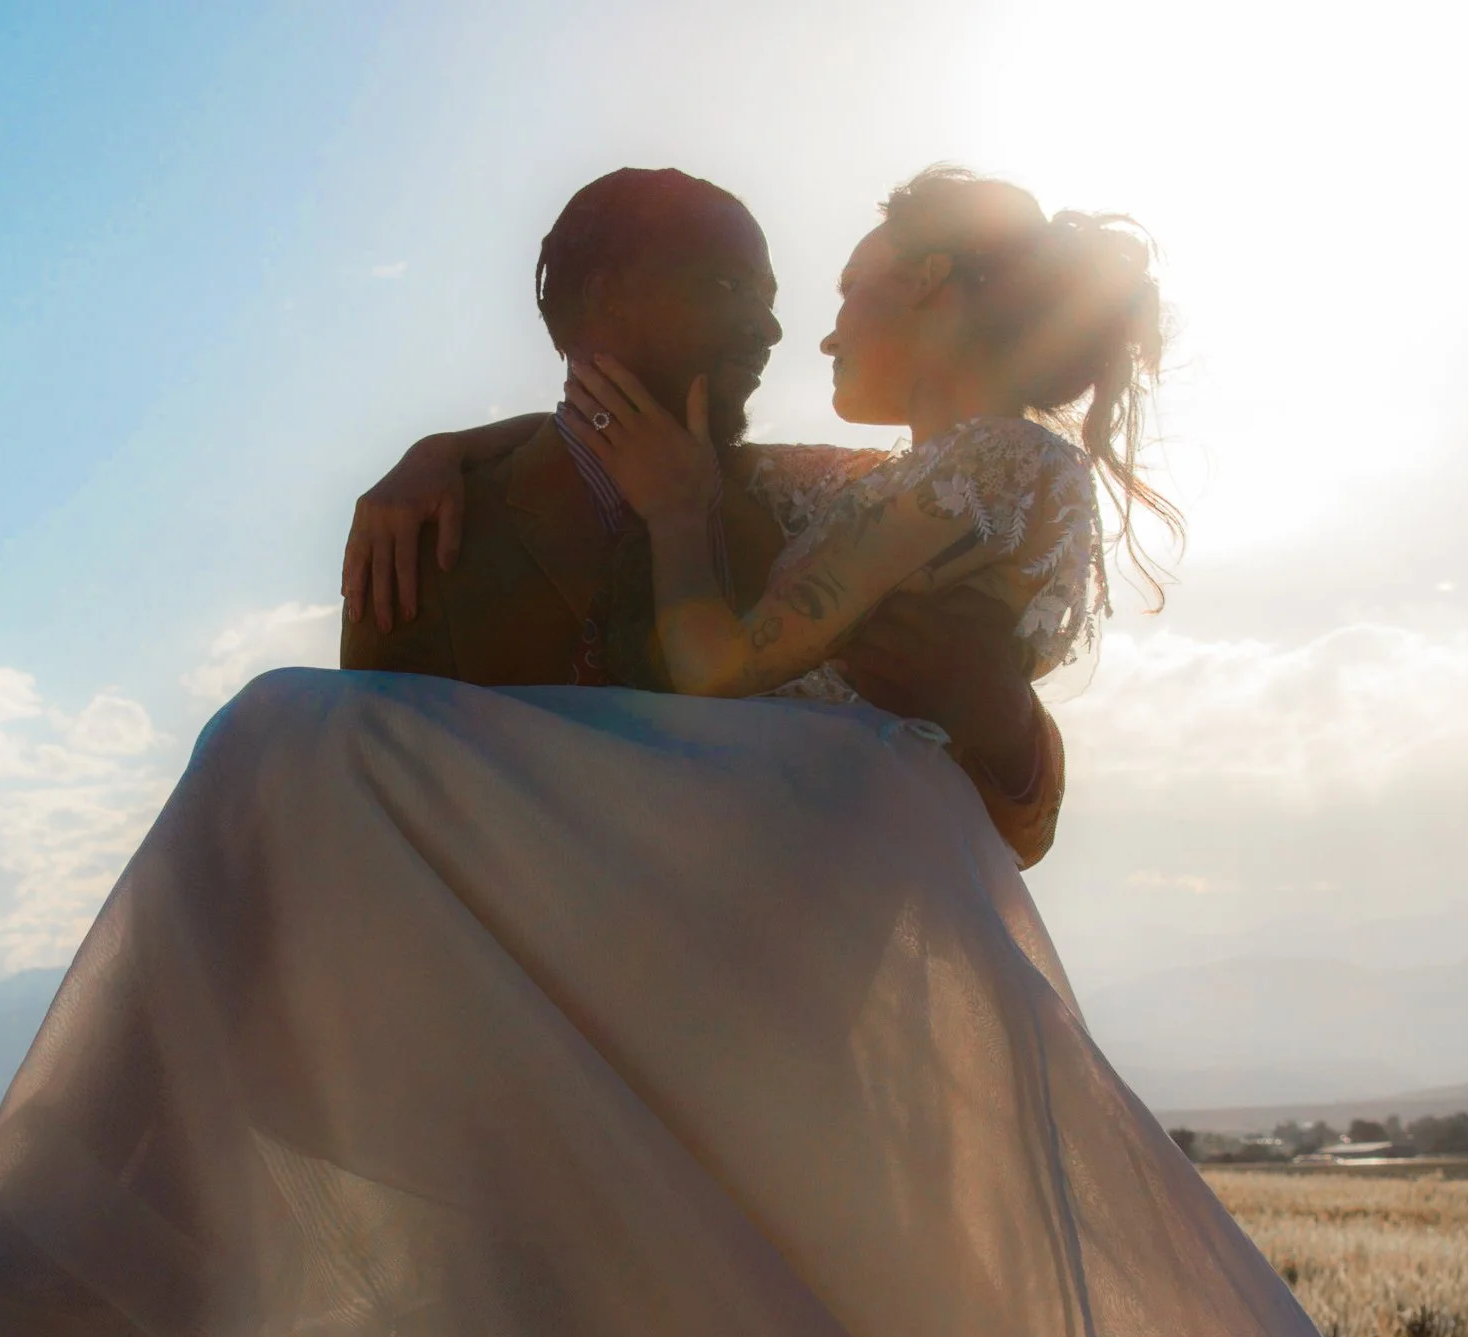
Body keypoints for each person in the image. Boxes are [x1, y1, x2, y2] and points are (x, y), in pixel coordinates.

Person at [0, 168, 1468, 1337]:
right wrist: (447, 446)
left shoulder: (885, 483)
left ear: (938, 293)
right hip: (657, 977)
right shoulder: (662, 494)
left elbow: (863, 713)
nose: (794, 325)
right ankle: (82, 1264)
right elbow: (605, 536)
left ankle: (74, 1271)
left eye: (820, 291)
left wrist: (904, 665)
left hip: (787, 920)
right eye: (745, 297)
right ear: (600, 316)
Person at [340, 167, 1068, 866]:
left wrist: (1010, 731)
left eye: (769, 296)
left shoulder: (818, 512)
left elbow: (1006, 825)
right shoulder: (427, 539)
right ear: (607, 297)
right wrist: (443, 450)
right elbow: (375, 832)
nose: (772, 328)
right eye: (729, 286)